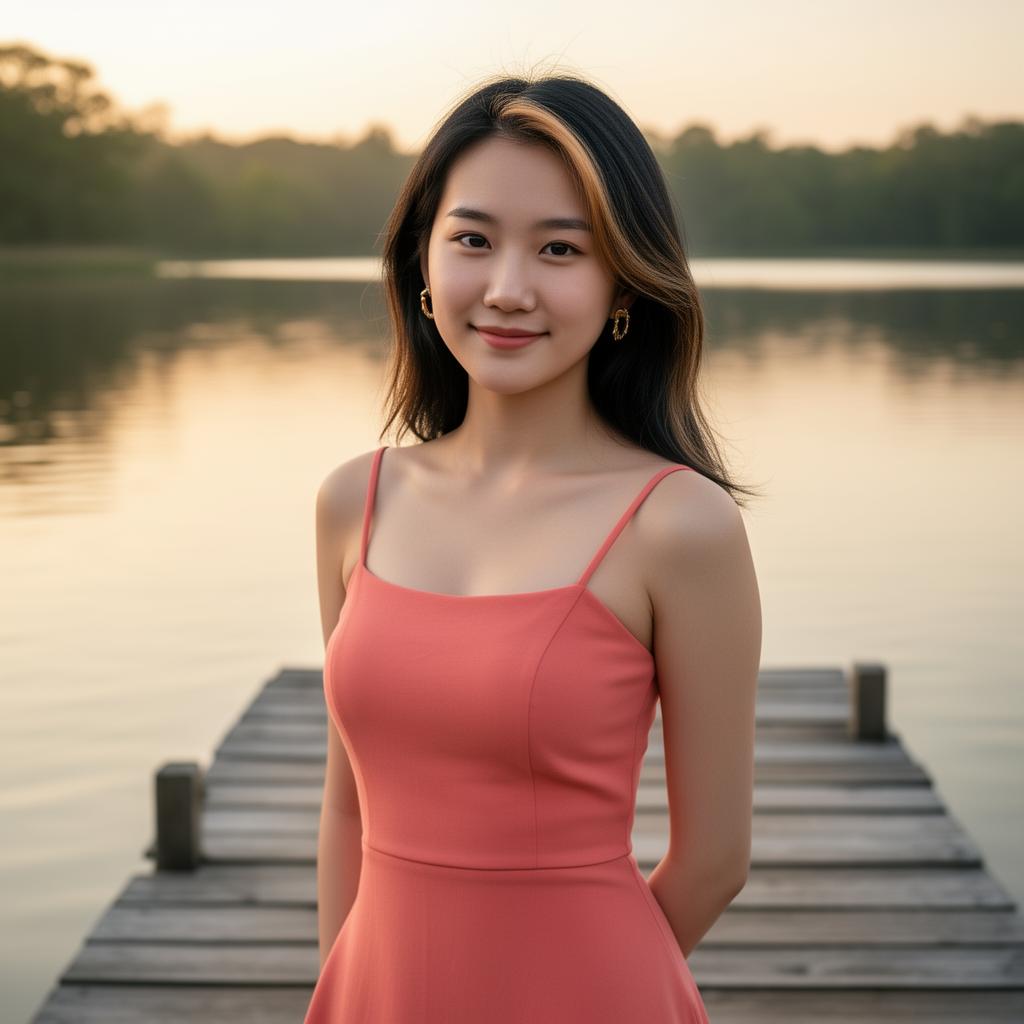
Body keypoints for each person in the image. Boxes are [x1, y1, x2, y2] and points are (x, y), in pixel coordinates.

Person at [305, 71, 762, 1023]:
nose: (508, 290)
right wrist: (339, 979)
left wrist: (583, 981)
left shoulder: (678, 524)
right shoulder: (356, 500)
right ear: (422, 264)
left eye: (560, 249)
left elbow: (714, 858)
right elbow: (350, 804)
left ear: (624, 282)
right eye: (473, 240)